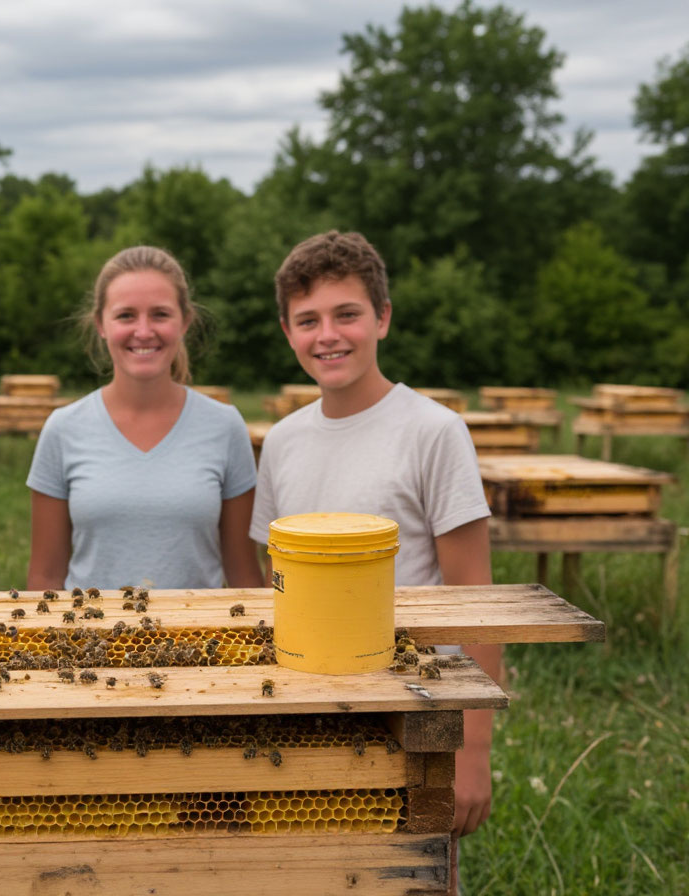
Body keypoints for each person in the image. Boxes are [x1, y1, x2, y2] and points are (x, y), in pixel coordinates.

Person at [248, 230, 500, 888]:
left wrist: (472, 753)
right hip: (306, 715)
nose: (327, 335)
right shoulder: (282, 442)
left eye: (347, 314)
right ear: (287, 331)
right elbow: (270, 581)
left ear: (382, 317)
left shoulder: (433, 431)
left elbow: (475, 599)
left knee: (410, 877)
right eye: (308, 321)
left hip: (413, 714)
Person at [26, 245, 263, 592]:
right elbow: (45, 578)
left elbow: (244, 574)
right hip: (89, 643)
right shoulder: (63, 429)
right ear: (101, 325)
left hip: (198, 641)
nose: (143, 330)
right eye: (126, 316)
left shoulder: (225, 426)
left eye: (160, 314)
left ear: (185, 321)